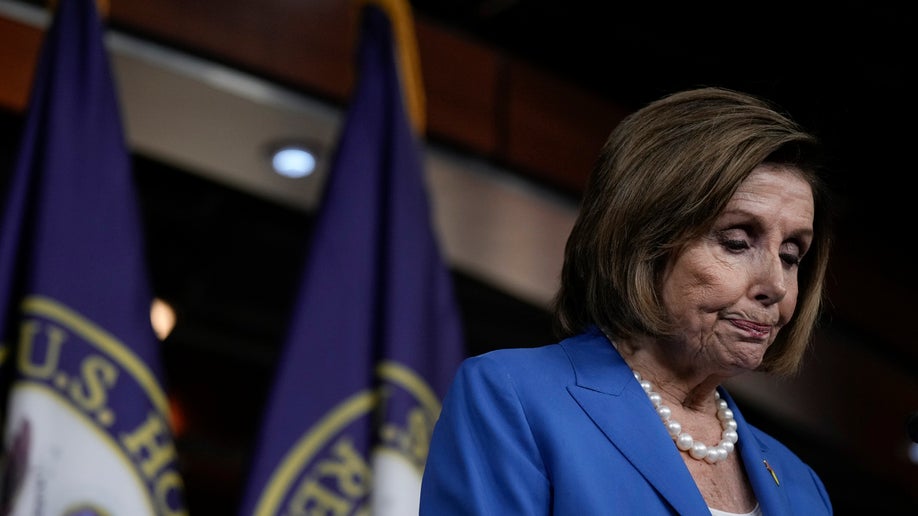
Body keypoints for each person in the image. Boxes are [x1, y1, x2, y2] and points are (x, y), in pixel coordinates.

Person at [419, 86, 834, 515]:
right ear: (644, 242)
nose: (776, 285)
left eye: (790, 256)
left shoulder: (802, 486)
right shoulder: (515, 399)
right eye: (735, 242)